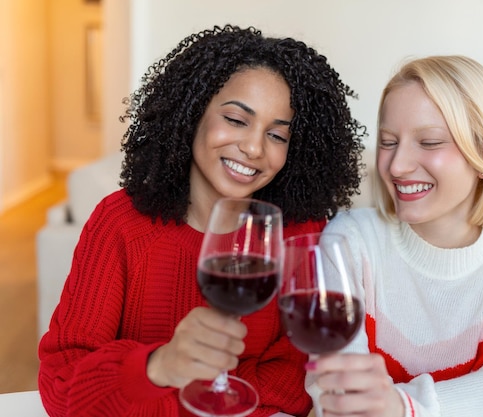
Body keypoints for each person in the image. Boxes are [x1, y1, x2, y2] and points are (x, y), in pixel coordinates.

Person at [38, 24, 365, 417]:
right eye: (236, 119)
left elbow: (297, 381)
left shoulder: (299, 231)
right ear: (192, 113)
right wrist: (160, 366)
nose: (253, 148)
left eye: (277, 136)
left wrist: (170, 397)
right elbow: (61, 384)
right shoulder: (119, 223)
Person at [305, 55, 483, 417]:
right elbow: (337, 405)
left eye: (428, 142)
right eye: (388, 142)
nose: (397, 166)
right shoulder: (349, 243)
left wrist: (396, 405)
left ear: (482, 155)